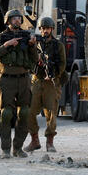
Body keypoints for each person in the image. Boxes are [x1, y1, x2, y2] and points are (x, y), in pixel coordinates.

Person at [0, 9, 37, 158]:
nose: (17, 20)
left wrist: (32, 46)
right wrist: (7, 45)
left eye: (18, 18)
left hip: (23, 79)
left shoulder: (27, 36)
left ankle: (18, 148)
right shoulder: (0, 37)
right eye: (14, 18)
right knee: (7, 113)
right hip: (6, 79)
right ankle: (5, 149)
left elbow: (34, 59)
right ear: (8, 21)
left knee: (24, 113)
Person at [24, 16, 66, 153]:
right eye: (43, 29)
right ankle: (34, 140)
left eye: (48, 28)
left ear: (52, 29)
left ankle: (50, 142)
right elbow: (29, 60)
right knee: (30, 112)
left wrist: (53, 74)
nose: (45, 31)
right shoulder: (36, 44)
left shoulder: (58, 45)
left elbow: (62, 64)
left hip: (51, 83)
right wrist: (36, 60)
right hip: (37, 80)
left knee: (51, 113)